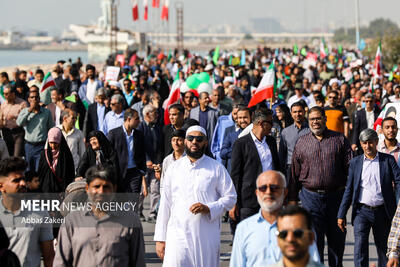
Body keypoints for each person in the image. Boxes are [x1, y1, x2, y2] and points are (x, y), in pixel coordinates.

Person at [154, 125, 237, 267]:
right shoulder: (174, 168)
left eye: (199, 139)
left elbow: (230, 197)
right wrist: (160, 239)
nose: (194, 142)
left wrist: (209, 208)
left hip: (205, 236)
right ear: (185, 141)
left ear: (205, 142)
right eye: (190, 138)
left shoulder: (216, 168)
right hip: (177, 236)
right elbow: (165, 205)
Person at [289, 106, 352, 266]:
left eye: (318, 118)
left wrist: (348, 198)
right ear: (308, 121)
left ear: (325, 119)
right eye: (312, 119)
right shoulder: (302, 142)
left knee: (336, 244)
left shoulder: (340, 140)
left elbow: (350, 170)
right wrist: (292, 199)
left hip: (336, 199)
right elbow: (294, 174)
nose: (315, 122)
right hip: (310, 198)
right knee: (314, 242)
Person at [53, 165, 146, 267]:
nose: (101, 192)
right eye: (96, 187)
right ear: (87, 188)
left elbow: (138, 262)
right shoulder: (71, 221)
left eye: (106, 187)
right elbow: (61, 262)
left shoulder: (131, 221)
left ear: (114, 189)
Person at [337, 129, 400, 267]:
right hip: (362, 212)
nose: (367, 146)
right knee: (359, 248)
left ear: (376, 142)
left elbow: (399, 180)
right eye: (364, 143)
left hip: (382, 212)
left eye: (370, 143)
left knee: (384, 248)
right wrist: (341, 214)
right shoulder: (355, 162)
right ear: (360, 144)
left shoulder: (387, 160)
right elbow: (349, 189)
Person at [230, 170, 320, 267]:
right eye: (263, 188)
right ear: (257, 193)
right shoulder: (244, 228)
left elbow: (313, 262)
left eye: (274, 188)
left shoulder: (301, 225)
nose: (268, 192)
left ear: (285, 192)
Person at [0, 157, 54, 267]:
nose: (23, 183)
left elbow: (49, 256)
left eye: (23, 179)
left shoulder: (40, 213)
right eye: (16, 180)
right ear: (1, 186)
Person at [230, 108, 281, 223]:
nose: (273, 126)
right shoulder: (241, 144)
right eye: (270, 123)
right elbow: (235, 175)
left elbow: (277, 168)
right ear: (261, 124)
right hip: (248, 201)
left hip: (270, 198)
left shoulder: (271, 142)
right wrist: (234, 202)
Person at [107, 109, 146, 193]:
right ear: (128, 119)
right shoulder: (114, 133)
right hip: (119, 173)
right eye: (136, 119)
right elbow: (108, 154)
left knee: (134, 200)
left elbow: (142, 153)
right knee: (120, 200)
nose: (139, 121)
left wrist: (142, 170)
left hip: (135, 172)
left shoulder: (139, 134)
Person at [137, 104, 164, 222]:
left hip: (155, 165)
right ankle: (138, 211)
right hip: (144, 164)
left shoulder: (157, 128)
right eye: (154, 113)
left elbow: (160, 148)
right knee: (142, 191)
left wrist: (158, 163)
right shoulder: (140, 128)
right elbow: (139, 147)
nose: (157, 115)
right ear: (147, 114)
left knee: (155, 189)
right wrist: (147, 159)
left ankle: (153, 212)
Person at [16, 90, 54, 171]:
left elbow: (51, 128)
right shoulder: (25, 111)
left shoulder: (46, 112)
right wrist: (30, 110)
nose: (34, 99)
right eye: (32, 97)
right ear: (29, 99)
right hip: (29, 145)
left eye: (36, 97)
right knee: (29, 170)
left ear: (39, 98)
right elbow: (19, 123)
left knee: (39, 169)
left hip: (41, 145)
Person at [279, 102, 310, 182]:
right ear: (291, 113)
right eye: (295, 112)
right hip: (290, 168)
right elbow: (282, 153)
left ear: (304, 112)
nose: (297, 114)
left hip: (308, 167)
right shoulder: (285, 132)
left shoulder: (311, 130)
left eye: (300, 111)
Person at [38, 127, 75, 193]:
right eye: (51, 143)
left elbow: (70, 173)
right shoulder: (44, 154)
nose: (53, 145)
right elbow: (41, 172)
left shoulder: (65, 154)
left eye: (55, 143)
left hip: (61, 191)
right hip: (46, 190)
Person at [221, 106, 251, 173]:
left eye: (245, 117)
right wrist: (237, 151)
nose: (242, 120)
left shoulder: (256, 135)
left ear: (250, 117)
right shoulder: (231, 135)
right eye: (240, 118)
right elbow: (223, 153)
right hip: (233, 174)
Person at [0, 84, 27, 157]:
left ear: (13, 93)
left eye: (6, 94)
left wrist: (15, 116)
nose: (4, 96)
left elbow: (25, 118)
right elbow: (1, 119)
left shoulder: (22, 103)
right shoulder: (3, 105)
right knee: (8, 156)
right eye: (3, 94)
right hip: (6, 133)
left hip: (18, 132)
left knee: (16, 156)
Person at [58, 109, 85, 173]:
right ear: (65, 118)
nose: (75, 120)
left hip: (74, 169)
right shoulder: (55, 131)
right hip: (58, 169)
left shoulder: (79, 133)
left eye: (76, 118)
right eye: (73, 118)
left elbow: (82, 153)